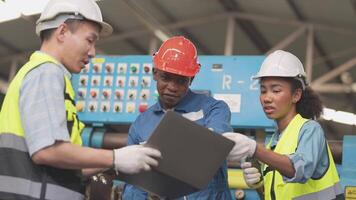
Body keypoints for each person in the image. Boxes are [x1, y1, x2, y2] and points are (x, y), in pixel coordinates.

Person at [0, 0, 161, 199]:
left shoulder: (49, 77)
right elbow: (47, 151)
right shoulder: (46, 73)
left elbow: (63, 164)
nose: (92, 52)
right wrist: (114, 157)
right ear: (62, 32)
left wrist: (119, 160)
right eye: (89, 40)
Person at [122, 36, 234, 199]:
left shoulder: (214, 109)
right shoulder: (140, 124)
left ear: (192, 79)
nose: (172, 87)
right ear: (155, 73)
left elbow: (215, 142)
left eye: (181, 81)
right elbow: (135, 184)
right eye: (166, 78)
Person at [223, 50, 343, 200]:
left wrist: (254, 149)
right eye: (263, 90)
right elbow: (271, 195)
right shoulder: (273, 142)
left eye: (276, 90)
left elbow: (299, 170)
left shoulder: (310, 130)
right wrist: (258, 184)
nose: (267, 98)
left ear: (296, 95)